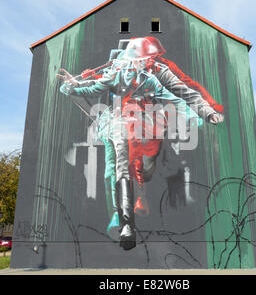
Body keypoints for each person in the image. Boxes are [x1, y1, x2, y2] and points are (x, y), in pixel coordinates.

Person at [57, 37, 224, 250]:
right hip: (118, 124)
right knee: (116, 163)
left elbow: (182, 94)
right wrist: (74, 85)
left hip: (148, 126)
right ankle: (122, 219)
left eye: (150, 58)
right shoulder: (118, 69)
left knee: (146, 166)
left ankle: (138, 203)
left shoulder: (157, 73)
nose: (146, 62)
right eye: (144, 58)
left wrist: (205, 111)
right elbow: (94, 86)